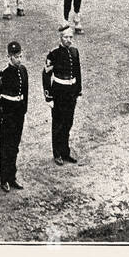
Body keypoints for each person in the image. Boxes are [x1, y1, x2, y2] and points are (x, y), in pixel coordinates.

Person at [44, 24, 82, 165]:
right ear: (61, 38)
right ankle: (57, 153)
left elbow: (78, 73)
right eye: (66, 37)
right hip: (59, 92)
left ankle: (65, 152)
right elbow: (46, 75)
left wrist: (78, 90)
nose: (69, 40)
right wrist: (48, 97)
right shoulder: (53, 54)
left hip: (71, 92)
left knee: (68, 122)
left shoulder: (74, 52)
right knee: (58, 124)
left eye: (71, 37)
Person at [0, 42, 28, 191]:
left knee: (15, 147)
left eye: (20, 56)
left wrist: (23, 111)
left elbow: (25, 94)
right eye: (16, 57)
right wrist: (1, 117)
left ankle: (12, 177)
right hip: (8, 117)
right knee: (6, 148)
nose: (19, 59)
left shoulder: (23, 71)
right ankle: (4, 179)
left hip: (18, 115)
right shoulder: (4, 74)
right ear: (9, 57)